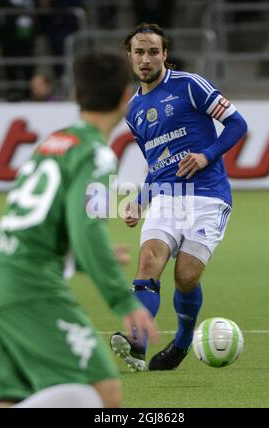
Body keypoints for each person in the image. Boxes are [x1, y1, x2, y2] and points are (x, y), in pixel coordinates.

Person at [0, 50, 158, 408]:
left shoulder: (51, 144)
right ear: (126, 96)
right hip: (31, 288)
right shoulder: (97, 154)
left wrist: (78, 255)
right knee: (104, 393)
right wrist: (122, 299)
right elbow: (87, 227)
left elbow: (39, 222)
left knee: (9, 398)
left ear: (75, 95)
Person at [110, 23, 247, 371]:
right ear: (130, 56)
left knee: (185, 276)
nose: (146, 58)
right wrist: (142, 199)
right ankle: (137, 343)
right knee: (148, 263)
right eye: (139, 52)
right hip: (168, 197)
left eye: (153, 51)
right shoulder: (133, 110)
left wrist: (206, 155)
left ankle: (183, 341)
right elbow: (155, 162)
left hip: (208, 195)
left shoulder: (189, 86)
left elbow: (237, 124)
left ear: (164, 54)